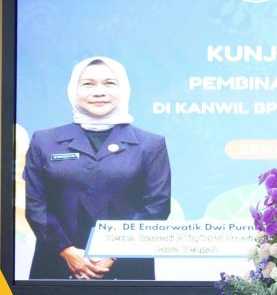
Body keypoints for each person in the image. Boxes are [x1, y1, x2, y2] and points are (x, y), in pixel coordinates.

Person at [23, 56, 171, 280]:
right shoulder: (44, 141)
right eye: (88, 84)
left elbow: (156, 207)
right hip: (56, 263)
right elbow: (36, 205)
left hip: (128, 266)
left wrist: (113, 253)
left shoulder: (151, 144)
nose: (99, 92)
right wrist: (67, 251)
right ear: (74, 90)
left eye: (109, 83)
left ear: (124, 89)